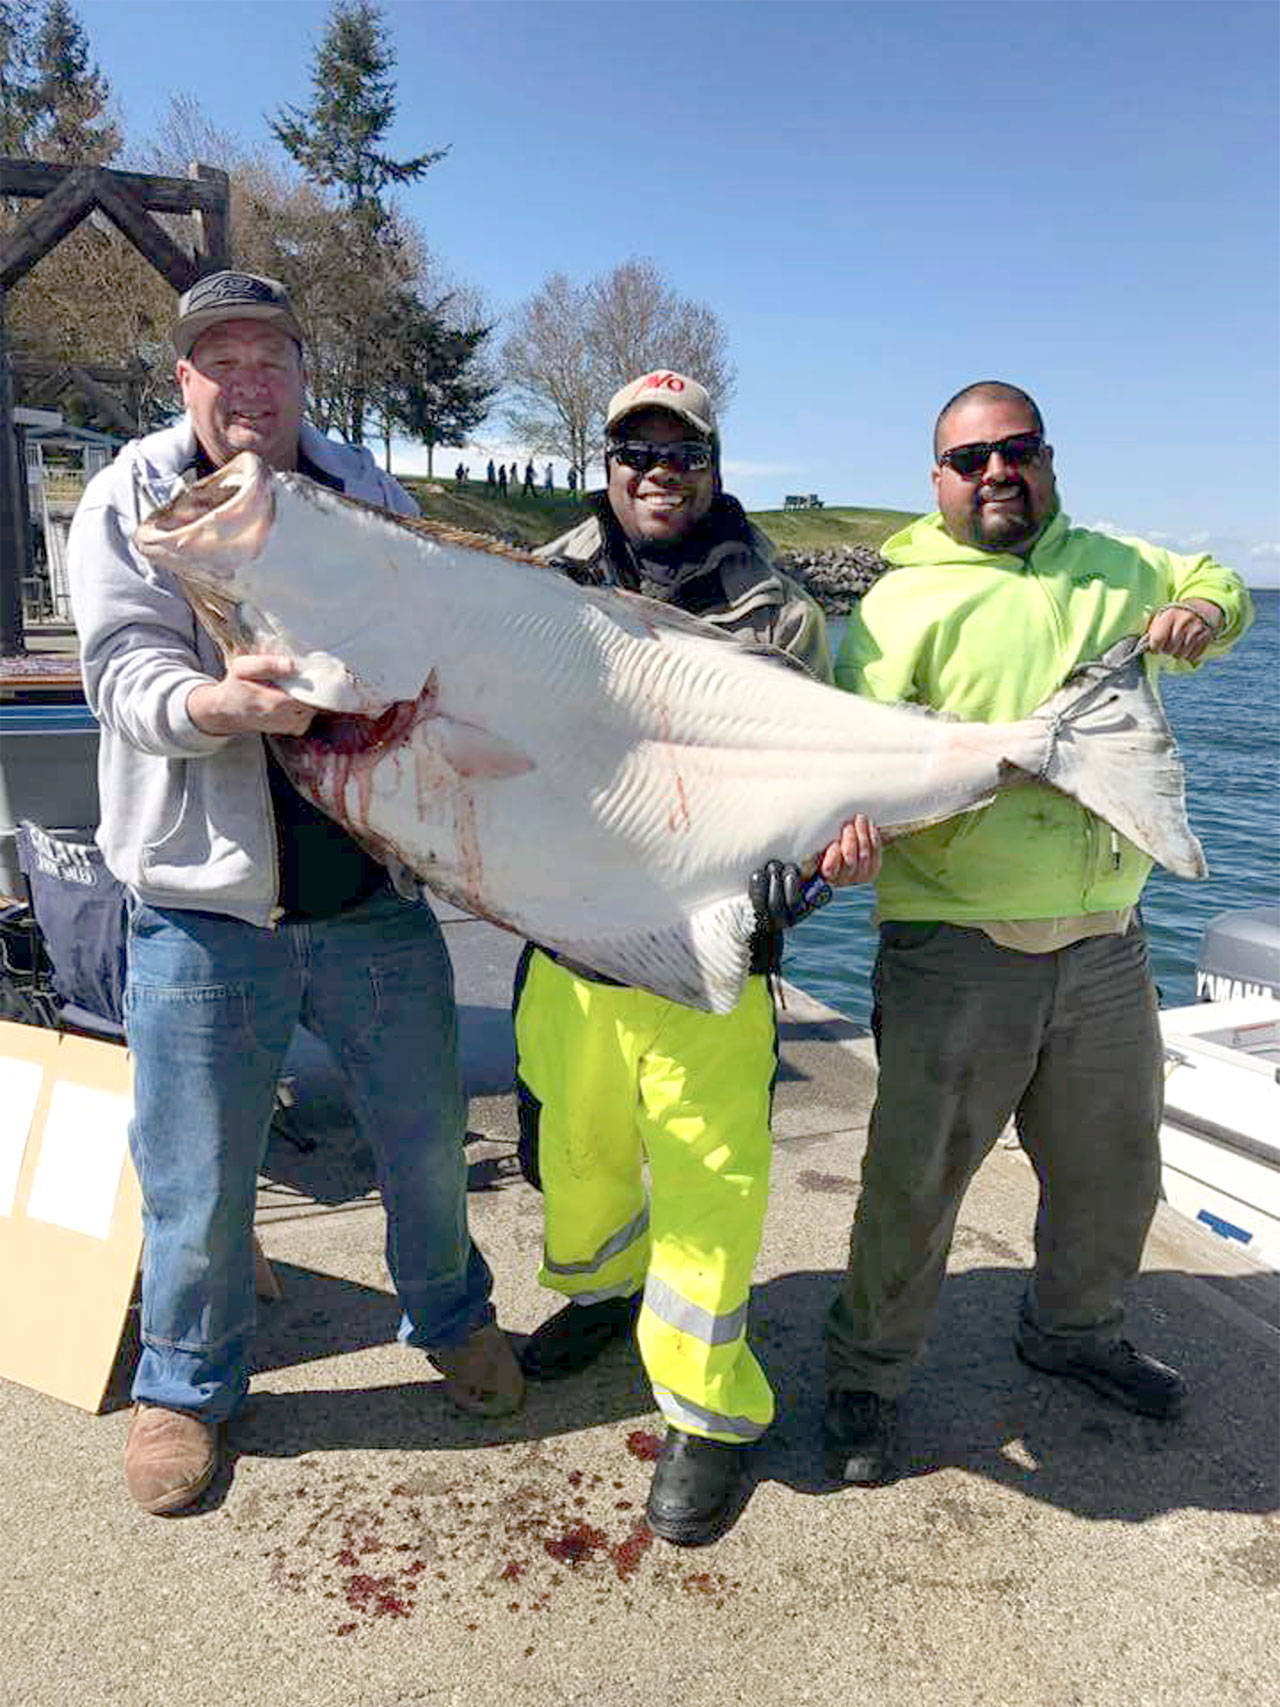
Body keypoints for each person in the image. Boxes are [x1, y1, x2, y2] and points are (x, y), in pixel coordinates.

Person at [68, 270, 523, 1517]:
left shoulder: (363, 490)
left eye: (268, 358)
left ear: (302, 373)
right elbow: (119, 674)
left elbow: (433, 651)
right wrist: (222, 707)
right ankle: (188, 1386)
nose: (246, 382)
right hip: (203, 911)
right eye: (220, 361)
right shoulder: (129, 499)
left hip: (371, 898)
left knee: (428, 1146)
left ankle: (451, 1320)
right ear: (184, 382)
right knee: (197, 1178)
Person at [818, 380, 1253, 1485]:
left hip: (1108, 938)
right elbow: (854, 757)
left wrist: (1202, 614)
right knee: (913, 1187)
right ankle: (865, 1376)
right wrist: (847, 829)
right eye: (970, 459)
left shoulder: (1115, 563)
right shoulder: (894, 607)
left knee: (1113, 1175)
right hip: (954, 946)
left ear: (1047, 459)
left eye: (1016, 451)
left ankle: (1072, 1334)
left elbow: (1214, 581)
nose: (995, 472)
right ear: (937, 481)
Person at [514, 368, 879, 1544]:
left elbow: (818, 785)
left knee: (709, 1189)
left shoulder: (775, 609)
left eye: (681, 454)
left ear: (713, 467)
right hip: (568, 945)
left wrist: (811, 874)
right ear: (603, 464)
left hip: (707, 957)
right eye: (635, 451)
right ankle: (600, 1296)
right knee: (575, 1157)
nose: (657, 473)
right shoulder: (542, 585)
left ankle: (710, 1414)